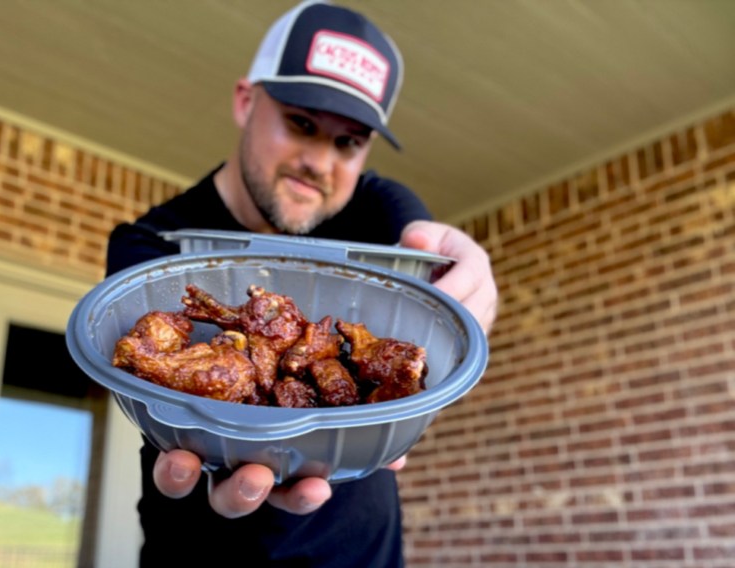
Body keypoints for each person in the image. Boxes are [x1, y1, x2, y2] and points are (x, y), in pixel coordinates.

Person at [105, 1, 498, 565]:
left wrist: (472, 272)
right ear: (246, 101)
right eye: (302, 123)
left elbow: (425, 242)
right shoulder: (155, 244)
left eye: (348, 142)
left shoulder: (374, 212)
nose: (319, 160)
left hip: (363, 554)